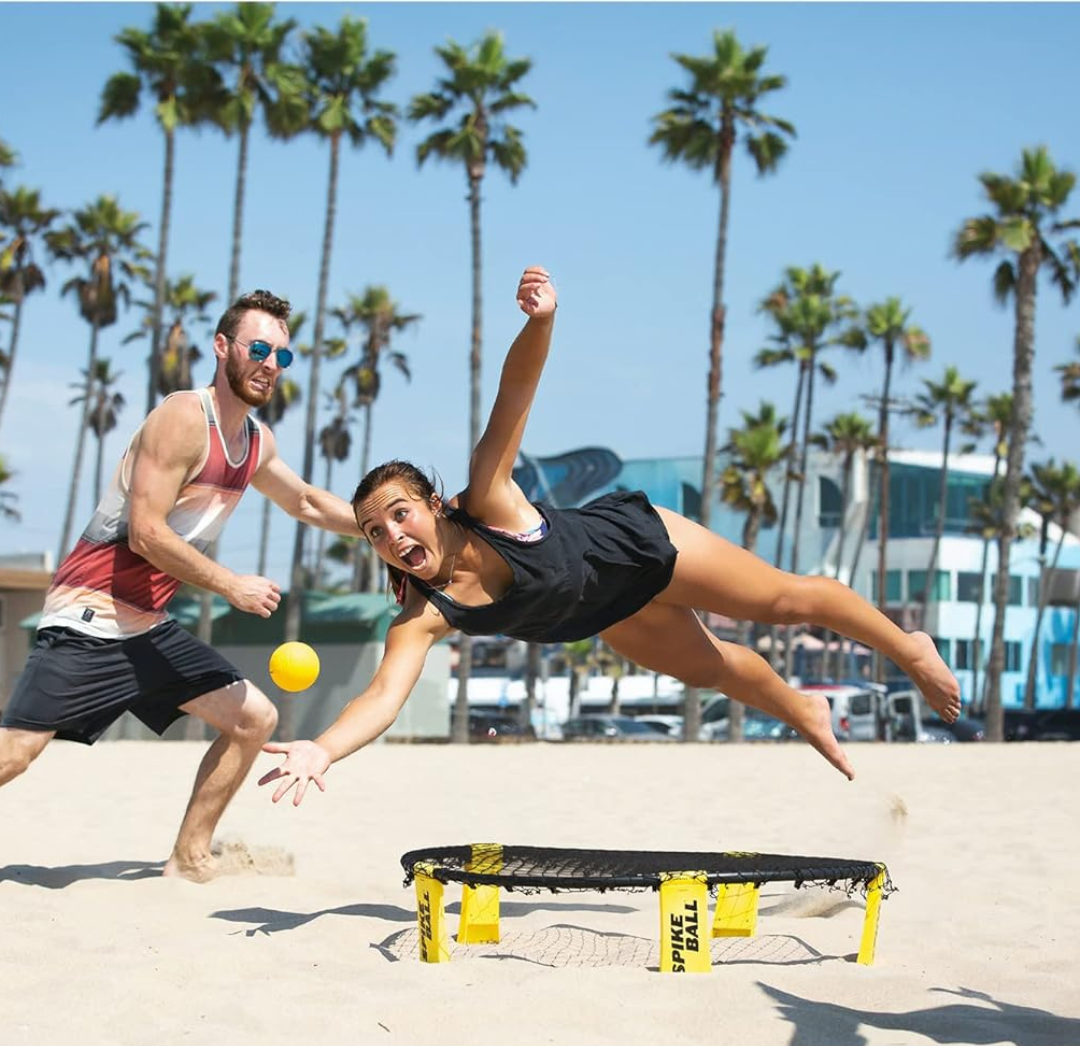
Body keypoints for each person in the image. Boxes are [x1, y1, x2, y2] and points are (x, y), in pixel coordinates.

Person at [259, 266, 961, 805]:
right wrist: (321, 750)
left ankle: (907, 647)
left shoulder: (489, 498)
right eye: (376, 532)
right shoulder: (420, 617)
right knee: (714, 668)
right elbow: (382, 697)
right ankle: (802, 707)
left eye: (399, 513)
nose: (391, 534)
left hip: (636, 545)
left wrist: (541, 323)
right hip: (602, 612)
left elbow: (513, 398)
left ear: (435, 504)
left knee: (781, 602)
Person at [0, 289, 365, 881]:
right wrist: (231, 586)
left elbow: (304, 501)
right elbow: (144, 533)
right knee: (16, 753)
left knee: (253, 719)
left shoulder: (256, 442)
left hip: (146, 626)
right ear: (222, 347)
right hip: (90, 614)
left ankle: (190, 856)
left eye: (283, 356)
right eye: (259, 348)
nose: (271, 364)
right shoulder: (181, 419)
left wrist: (387, 528)